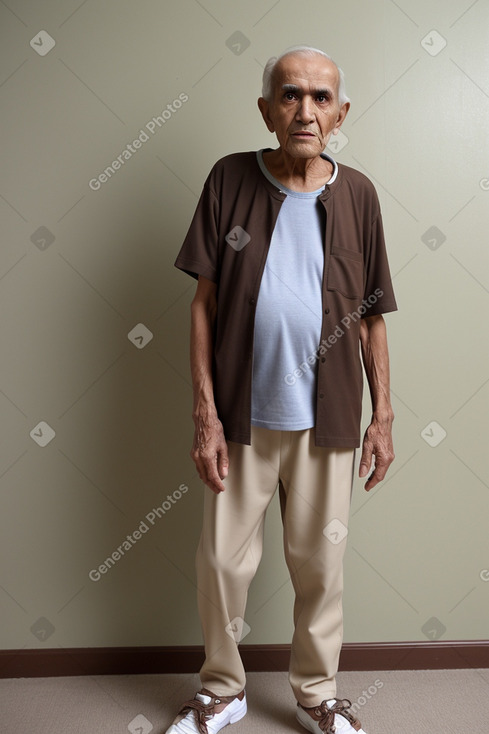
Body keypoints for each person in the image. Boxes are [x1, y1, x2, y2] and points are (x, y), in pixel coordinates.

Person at [168, 45, 397, 734]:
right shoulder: (230, 180)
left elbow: (372, 315)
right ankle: (222, 689)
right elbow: (203, 304)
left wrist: (382, 416)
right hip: (241, 415)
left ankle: (316, 694)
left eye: (320, 97)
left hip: (326, 420)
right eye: (290, 95)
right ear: (266, 109)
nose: (305, 110)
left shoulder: (357, 194)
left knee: (319, 565)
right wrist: (204, 414)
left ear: (340, 113)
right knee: (219, 562)